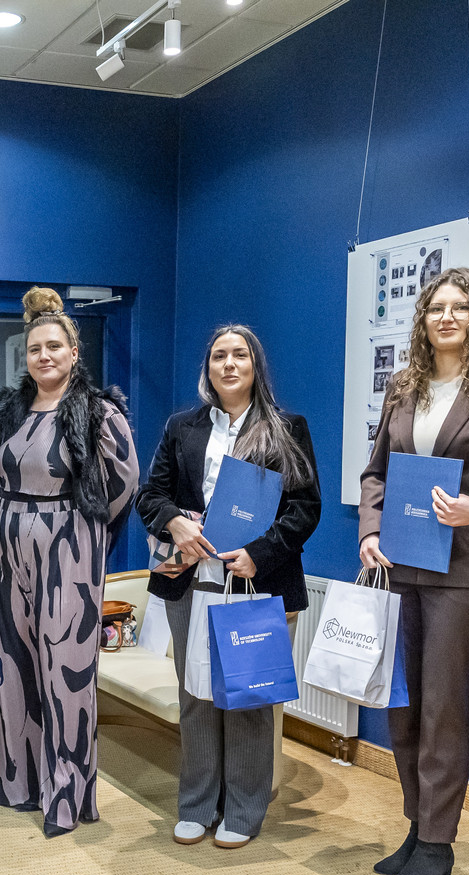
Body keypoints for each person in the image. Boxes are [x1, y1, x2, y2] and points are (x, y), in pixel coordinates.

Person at [358, 267, 469, 875]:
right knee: (404, 705)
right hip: (400, 562)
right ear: (423, 319)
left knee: (443, 707)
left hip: (463, 571)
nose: (447, 317)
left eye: (460, 307)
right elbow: (375, 472)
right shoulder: (403, 386)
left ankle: (438, 843)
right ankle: (417, 825)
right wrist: (369, 531)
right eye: (436, 308)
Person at [135, 324, 319, 848]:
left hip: (254, 583)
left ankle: (243, 810)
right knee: (195, 696)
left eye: (240, 355)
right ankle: (196, 804)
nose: (229, 364)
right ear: (208, 367)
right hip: (191, 581)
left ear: (255, 365)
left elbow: (306, 508)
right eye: (219, 355)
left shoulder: (286, 428)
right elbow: (150, 495)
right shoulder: (182, 427)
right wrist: (174, 522)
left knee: (247, 698)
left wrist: (260, 554)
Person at [0, 287, 138, 838]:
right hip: (9, 545)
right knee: (14, 664)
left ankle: (66, 796)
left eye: (54, 347)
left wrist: (82, 532)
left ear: (74, 353)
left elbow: (123, 484)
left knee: (65, 671)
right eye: (34, 349)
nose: (43, 356)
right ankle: (20, 783)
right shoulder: (9, 409)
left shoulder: (98, 412)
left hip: (68, 544)